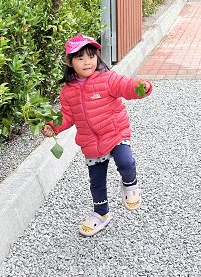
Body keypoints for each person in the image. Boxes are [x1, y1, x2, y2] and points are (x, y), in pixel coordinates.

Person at [42, 33, 152, 236]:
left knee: (126, 162)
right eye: (80, 58)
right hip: (91, 142)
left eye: (91, 57)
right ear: (69, 62)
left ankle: (129, 183)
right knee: (97, 181)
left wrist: (140, 87)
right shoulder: (68, 92)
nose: (87, 62)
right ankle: (101, 213)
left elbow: (125, 86)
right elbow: (67, 116)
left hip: (115, 133)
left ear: (97, 58)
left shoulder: (107, 79)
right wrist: (52, 126)